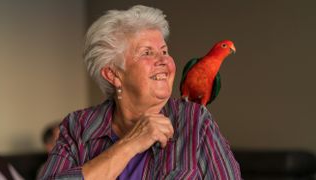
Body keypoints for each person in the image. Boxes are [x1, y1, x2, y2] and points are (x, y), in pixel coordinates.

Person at [39, 5, 241, 179]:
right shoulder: (78, 127)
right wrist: (130, 144)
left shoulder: (194, 121)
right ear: (113, 74)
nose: (164, 61)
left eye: (164, 51)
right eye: (147, 53)